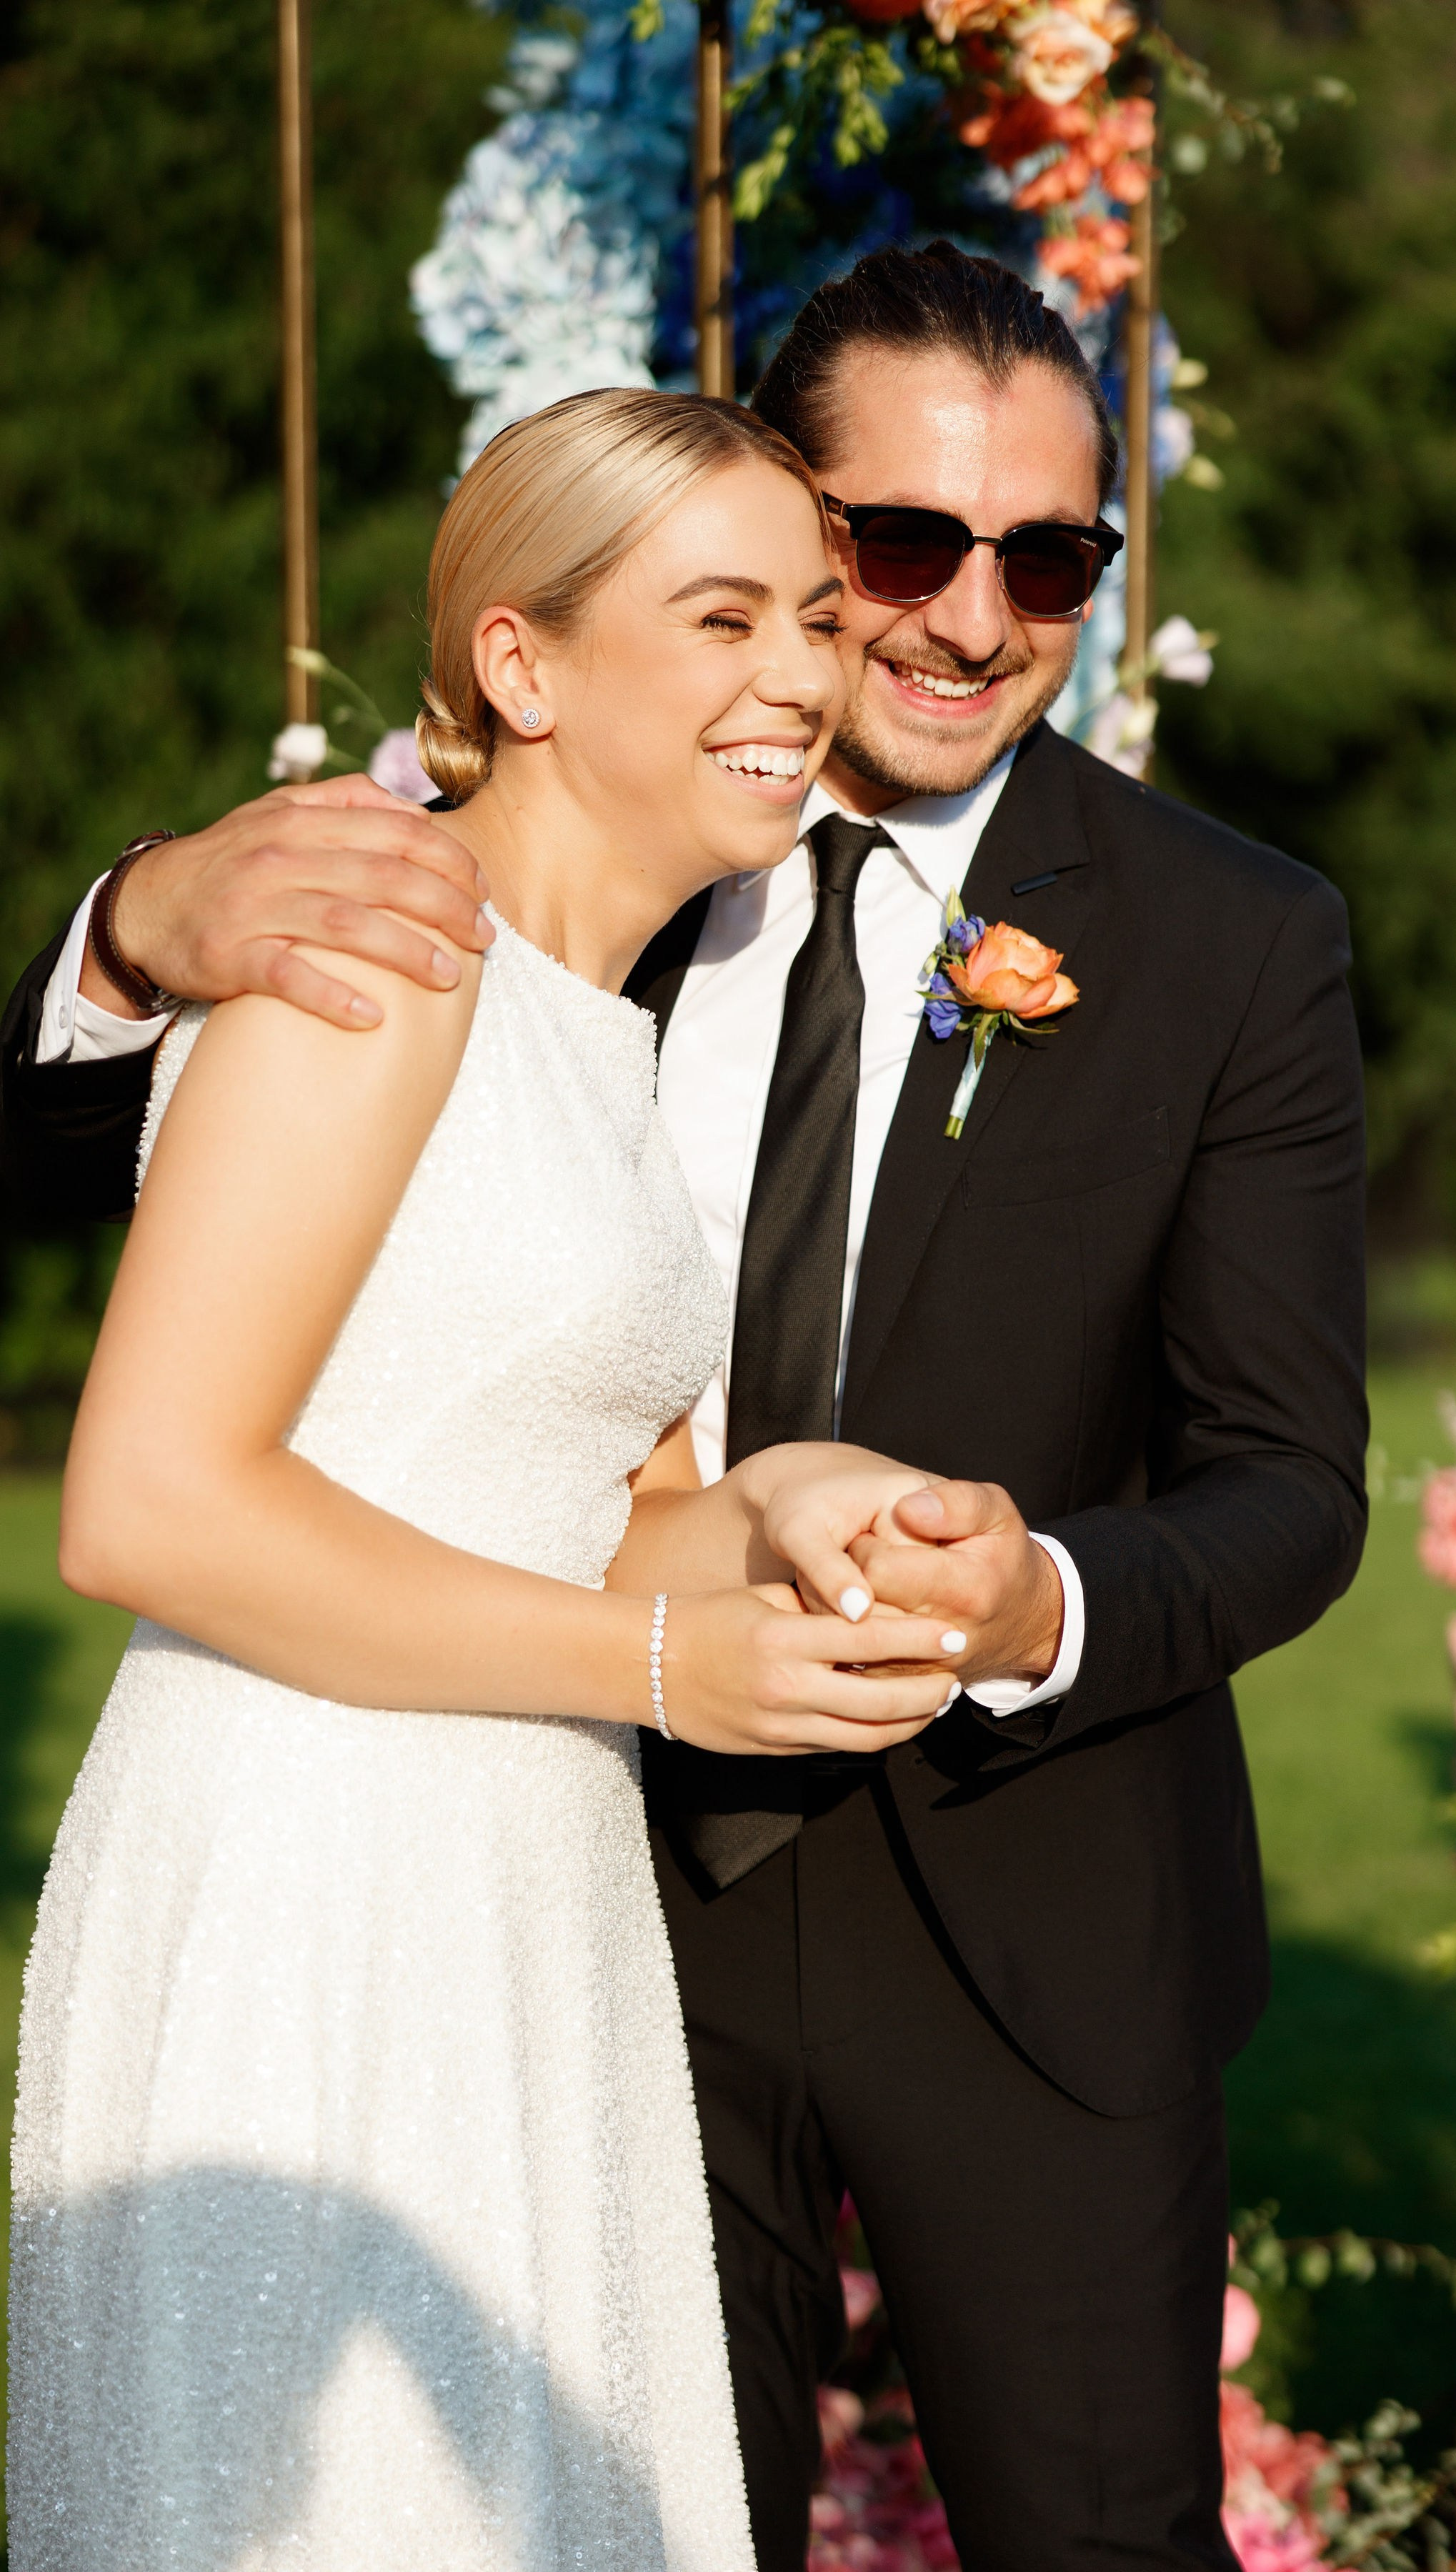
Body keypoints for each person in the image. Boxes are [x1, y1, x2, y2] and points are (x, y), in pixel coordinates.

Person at [1, 244, 1370, 2571]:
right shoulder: (380, 905)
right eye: (884, 556)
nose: (950, 620)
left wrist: (957, 1561)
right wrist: (130, 925)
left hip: (986, 1935)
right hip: (528, 1879)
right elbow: (141, 1333)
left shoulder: (1216, 933)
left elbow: (1286, 1478)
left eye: (1045, 558)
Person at [4, 387, 972, 2572]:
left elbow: (574, 1497)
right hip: (309, 1887)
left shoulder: (595, 1020)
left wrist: (798, 1506)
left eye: (817, 618)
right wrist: (652, 1654)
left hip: (518, 1892)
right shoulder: (383, 953)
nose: (802, 677)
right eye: (723, 616)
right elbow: (145, 1501)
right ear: (519, 668)